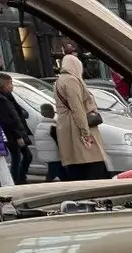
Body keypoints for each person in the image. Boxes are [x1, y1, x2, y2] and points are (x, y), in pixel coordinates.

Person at [53, 52, 107, 181]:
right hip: (76, 125)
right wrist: (85, 132)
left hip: (66, 124)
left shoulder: (59, 81)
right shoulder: (71, 80)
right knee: (93, 160)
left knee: (75, 163)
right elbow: (77, 108)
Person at [0, 73, 32, 184]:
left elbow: (16, 114)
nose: (12, 86)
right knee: (17, 157)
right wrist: (18, 136)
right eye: (10, 83)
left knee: (27, 156)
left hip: (16, 132)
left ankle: (20, 178)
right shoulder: (1, 100)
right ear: (5, 85)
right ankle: (15, 180)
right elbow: (7, 121)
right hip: (12, 134)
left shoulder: (7, 97)